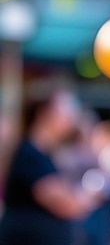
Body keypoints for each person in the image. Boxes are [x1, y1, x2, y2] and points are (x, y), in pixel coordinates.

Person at [0, 80, 102, 245]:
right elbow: (66, 205)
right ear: (43, 112)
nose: (71, 117)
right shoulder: (29, 154)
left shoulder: (44, 153)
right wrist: (89, 196)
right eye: (65, 110)